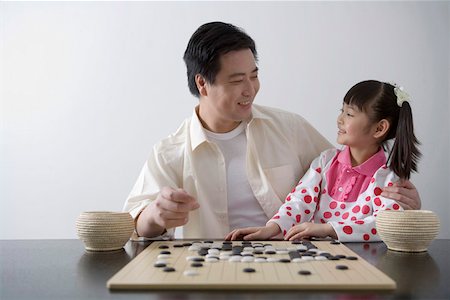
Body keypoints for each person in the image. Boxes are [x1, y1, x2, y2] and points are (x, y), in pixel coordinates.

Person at [123, 21, 421, 240]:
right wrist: (154, 216)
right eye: (237, 79)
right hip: (207, 273)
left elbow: (349, 179)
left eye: (254, 75)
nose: (250, 89)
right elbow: (134, 225)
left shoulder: (290, 128)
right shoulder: (169, 152)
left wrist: (400, 210)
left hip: (292, 268)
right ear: (203, 84)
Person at [226, 80, 420, 242]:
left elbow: (384, 225)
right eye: (341, 111)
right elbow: (300, 200)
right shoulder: (325, 161)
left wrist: (328, 229)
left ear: (379, 128)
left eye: (349, 114)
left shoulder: (388, 178)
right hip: (319, 258)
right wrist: (272, 228)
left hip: (364, 263)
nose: (339, 119)